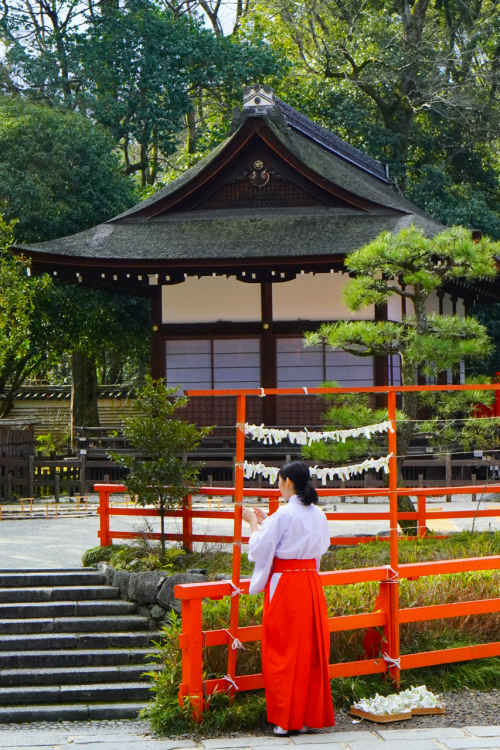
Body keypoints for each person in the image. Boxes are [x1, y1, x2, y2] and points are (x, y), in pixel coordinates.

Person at [242, 461, 334, 735]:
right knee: (309, 651)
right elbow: (320, 547)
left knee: (282, 651)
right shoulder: (318, 513)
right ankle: (306, 718)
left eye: (279, 481)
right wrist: (264, 522)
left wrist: (251, 524)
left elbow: (259, 550)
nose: (278, 486)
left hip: (285, 585)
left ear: (287, 482)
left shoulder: (282, 515)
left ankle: (285, 720)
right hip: (310, 583)